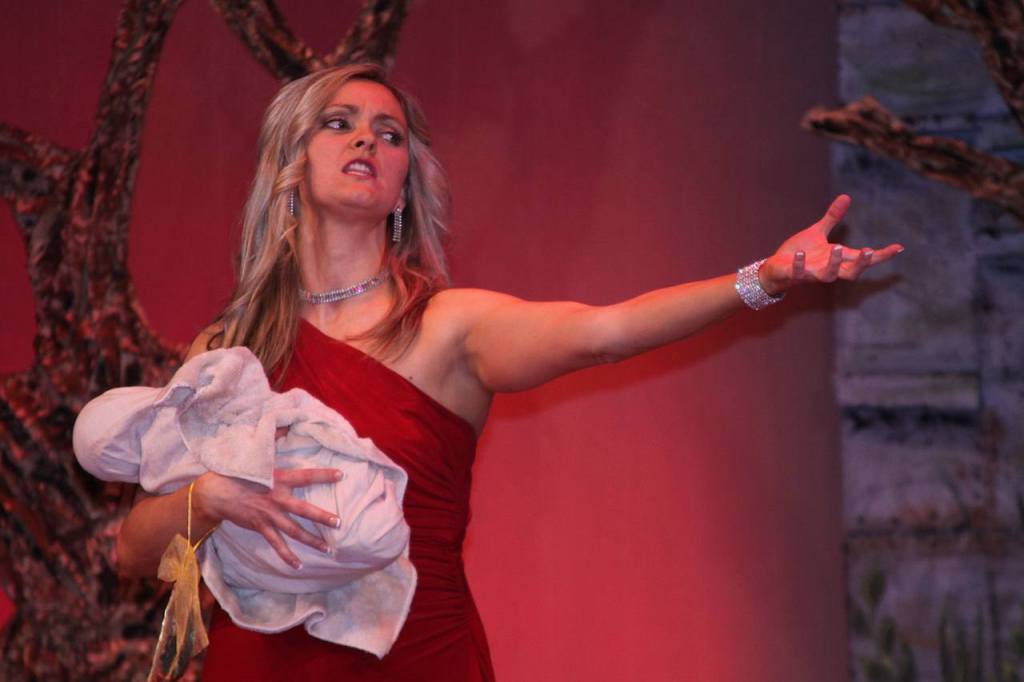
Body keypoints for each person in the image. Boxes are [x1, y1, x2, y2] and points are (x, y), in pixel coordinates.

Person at [114, 62, 902, 680]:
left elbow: (606, 332)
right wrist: (208, 497)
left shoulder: (448, 327)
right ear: (291, 167)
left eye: (389, 134)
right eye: (340, 124)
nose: (367, 141)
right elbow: (134, 550)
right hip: (258, 665)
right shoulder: (230, 348)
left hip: (415, 661)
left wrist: (764, 276)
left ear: (402, 187)